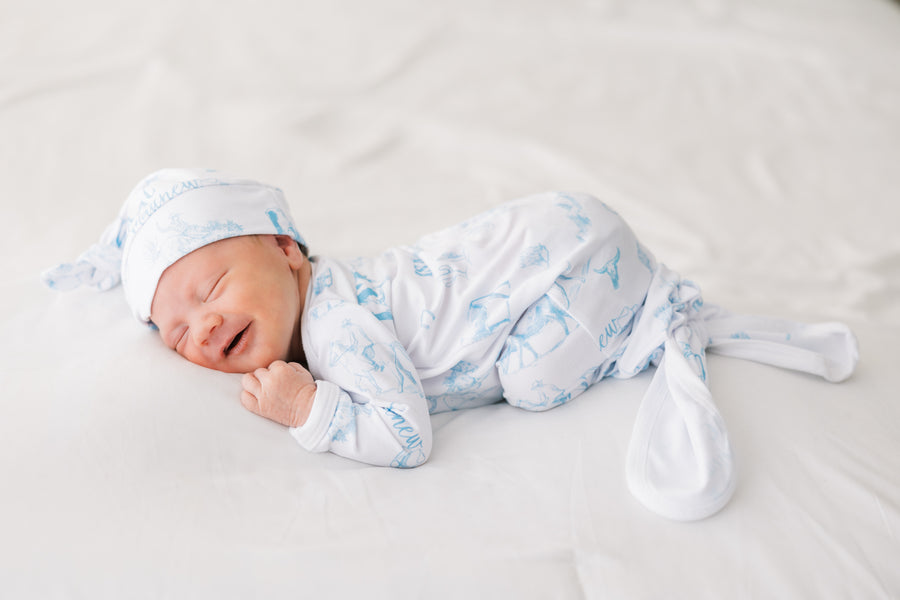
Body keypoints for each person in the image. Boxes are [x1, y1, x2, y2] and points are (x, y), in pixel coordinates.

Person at [42, 168, 859, 521]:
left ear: (287, 248)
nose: (204, 331)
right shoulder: (337, 291)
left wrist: (312, 407)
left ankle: (648, 321)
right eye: (176, 332)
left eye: (210, 291)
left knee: (534, 381)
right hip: (570, 226)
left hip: (574, 262)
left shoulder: (335, 325)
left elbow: (407, 436)